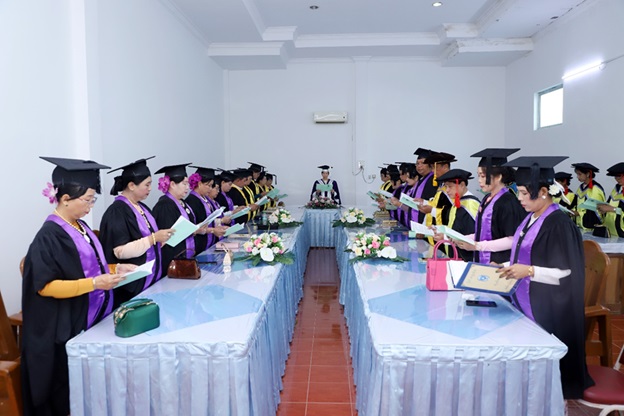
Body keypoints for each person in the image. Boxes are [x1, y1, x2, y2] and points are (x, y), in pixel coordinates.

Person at [22, 157, 133, 415]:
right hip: (62, 326)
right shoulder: (48, 236)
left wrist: (115, 269)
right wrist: (94, 284)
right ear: (65, 199)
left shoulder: (81, 227)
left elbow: (90, 266)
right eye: (88, 200)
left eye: (93, 200)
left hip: (88, 315)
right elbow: (45, 286)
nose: (91, 206)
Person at [496, 156, 594, 400]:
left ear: (542, 192)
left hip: (552, 306)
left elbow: (566, 273)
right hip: (531, 296)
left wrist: (529, 271)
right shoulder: (531, 218)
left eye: (523, 193)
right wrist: (505, 266)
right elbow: (526, 255)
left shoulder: (559, 223)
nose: (519, 199)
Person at [99, 157, 174, 306]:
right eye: (147, 184)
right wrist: (153, 239)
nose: (150, 188)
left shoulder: (143, 208)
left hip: (151, 280)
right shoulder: (117, 211)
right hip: (131, 288)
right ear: (132, 185)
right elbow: (120, 251)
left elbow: (149, 242)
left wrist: (160, 240)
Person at [456, 148, 526, 264]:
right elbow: (483, 233)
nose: (479, 181)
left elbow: (512, 239)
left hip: (499, 264)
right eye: (478, 176)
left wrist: (478, 246)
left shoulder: (508, 202)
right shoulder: (487, 199)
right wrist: (462, 238)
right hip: (483, 262)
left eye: (483, 176)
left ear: (498, 177)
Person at [152, 163, 206, 270]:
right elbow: (169, 235)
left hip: (186, 257)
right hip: (173, 260)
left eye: (188, 184)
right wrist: (194, 231)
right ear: (172, 184)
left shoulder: (182, 202)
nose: (188, 187)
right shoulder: (165, 205)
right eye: (184, 184)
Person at [432, 169, 480, 261]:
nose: (447, 190)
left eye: (450, 186)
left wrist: (445, 237)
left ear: (462, 185)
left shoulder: (471, 205)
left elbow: (469, 234)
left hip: (466, 258)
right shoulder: (458, 202)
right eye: (446, 186)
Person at [185, 166, 229, 253]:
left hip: (209, 244)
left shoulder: (205, 199)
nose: (210, 188)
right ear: (199, 183)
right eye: (208, 185)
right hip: (198, 246)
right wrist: (213, 230)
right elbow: (195, 226)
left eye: (211, 186)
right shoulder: (191, 201)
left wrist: (218, 227)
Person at [572, 162, 605, 231]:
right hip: (580, 225)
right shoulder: (581, 187)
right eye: (577, 174)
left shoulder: (595, 189)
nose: (577, 177)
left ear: (587, 174)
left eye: (579, 174)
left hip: (590, 228)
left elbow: (595, 210)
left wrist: (578, 213)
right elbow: (576, 203)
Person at [597, 162, 624, 237]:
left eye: (619, 177)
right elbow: (609, 204)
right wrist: (603, 208)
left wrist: (612, 209)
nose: (617, 180)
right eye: (615, 177)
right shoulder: (617, 188)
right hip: (612, 229)